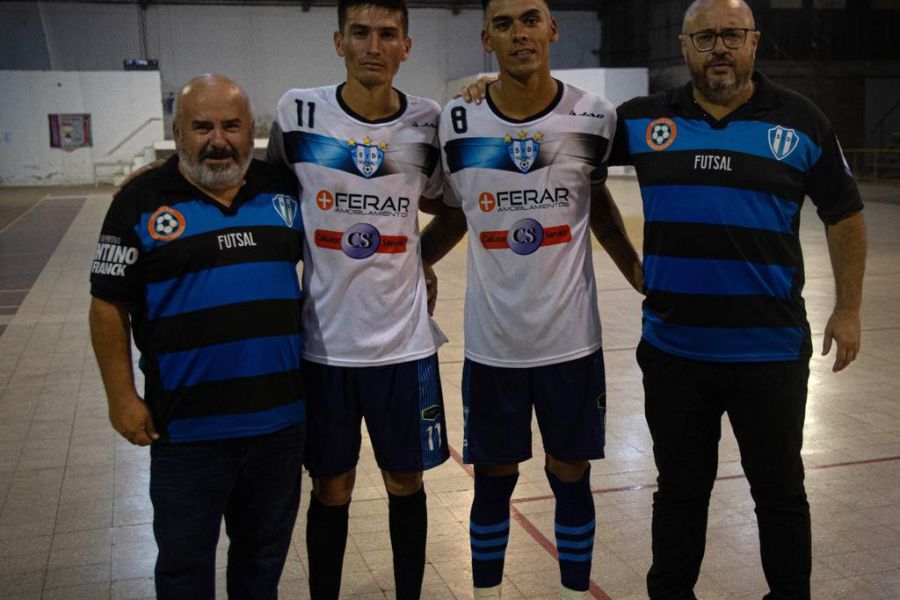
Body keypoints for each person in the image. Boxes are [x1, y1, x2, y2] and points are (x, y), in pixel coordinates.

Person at [606, 1, 867, 598]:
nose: (718, 48)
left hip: (769, 354)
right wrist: (627, 261)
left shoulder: (802, 121)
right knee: (679, 492)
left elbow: (845, 214)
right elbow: (573, 155)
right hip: (675, 352)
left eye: (731, 35)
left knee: (779, 493)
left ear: (755, 42)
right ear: (683, 45)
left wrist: (848, 308)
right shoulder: (643, 120)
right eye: (705, 38)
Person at [420, 1, 643, 598]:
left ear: (553, 28)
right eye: (504, 23)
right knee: (493, 479)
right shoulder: (457, 121)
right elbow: (450, 215)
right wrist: (413, 265)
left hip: (573, 344)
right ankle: (487, 590)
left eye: (530, 18)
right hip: (493, 349)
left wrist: (637, 271)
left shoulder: (594, 117)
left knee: (570, 473)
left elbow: (600, 208)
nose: (519, 33)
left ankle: (575, 589)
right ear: (486, 38)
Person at [89, 75, 306, 598]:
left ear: (250, 130)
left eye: (231, 126)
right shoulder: (139, 200)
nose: (218, 139)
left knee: (261, 566)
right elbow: (107, 305)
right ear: (178, 132)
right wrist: (122, 398)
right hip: (186, 433)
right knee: (185, 570)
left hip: (279, 426)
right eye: (202, 126)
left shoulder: (282, 188)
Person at [265, 1, 450, 598]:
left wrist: (421, 257)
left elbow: (451, 206)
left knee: (406, 481)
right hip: (324, 349)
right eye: (362, 33)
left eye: (387, 34)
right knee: (332, 488)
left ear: (406, 46)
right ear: (338, 40)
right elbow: (266, 201)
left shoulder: (428, 122)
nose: (374, 45)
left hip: (405, 347)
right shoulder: (298, 113)